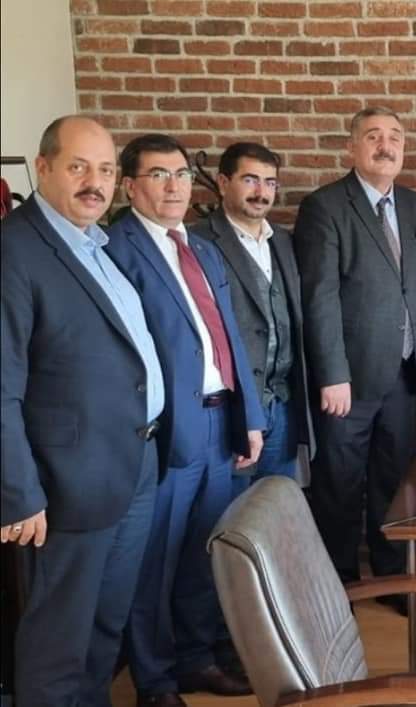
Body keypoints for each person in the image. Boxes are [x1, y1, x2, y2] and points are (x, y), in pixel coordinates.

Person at [1, 115, 163, 706]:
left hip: (133, 465)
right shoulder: (15, 250)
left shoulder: (96, 242)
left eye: (105, 170)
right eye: (78, 167)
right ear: (43, 167)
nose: (94, 183)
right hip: (65, 487)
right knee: (57, 643)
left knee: (104, 626)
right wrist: (18, 494)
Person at [106, 133, 265, 706]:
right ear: (130, 186)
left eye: (179, 174)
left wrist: (250, 416)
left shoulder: (200, 247)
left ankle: (197, 659)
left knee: (205, 550)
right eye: (158, 175)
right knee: (155, 561)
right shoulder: (116, 249)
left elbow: (228, 339)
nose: (174, 186)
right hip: (169, 429)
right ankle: (155, 681)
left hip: (221, 423)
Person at [294, 107, 416, 600]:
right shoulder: (325, 207)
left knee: (395, 481)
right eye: (374, 136)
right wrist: (331, 374)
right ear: (352, 147)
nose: (386, 145)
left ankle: (393, 576)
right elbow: (319, 297)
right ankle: (338, 586)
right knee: (339, 483)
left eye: (395, 137)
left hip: (405, 375)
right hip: (349, 380)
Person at [193, 142, 315, 495]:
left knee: (275, 506)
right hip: (232, 410)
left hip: (283, 403)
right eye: (250, 180)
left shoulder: (284, 241)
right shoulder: (198, 241)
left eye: (270, 182)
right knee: (231, 513)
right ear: (223, 182)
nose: (261, 192)